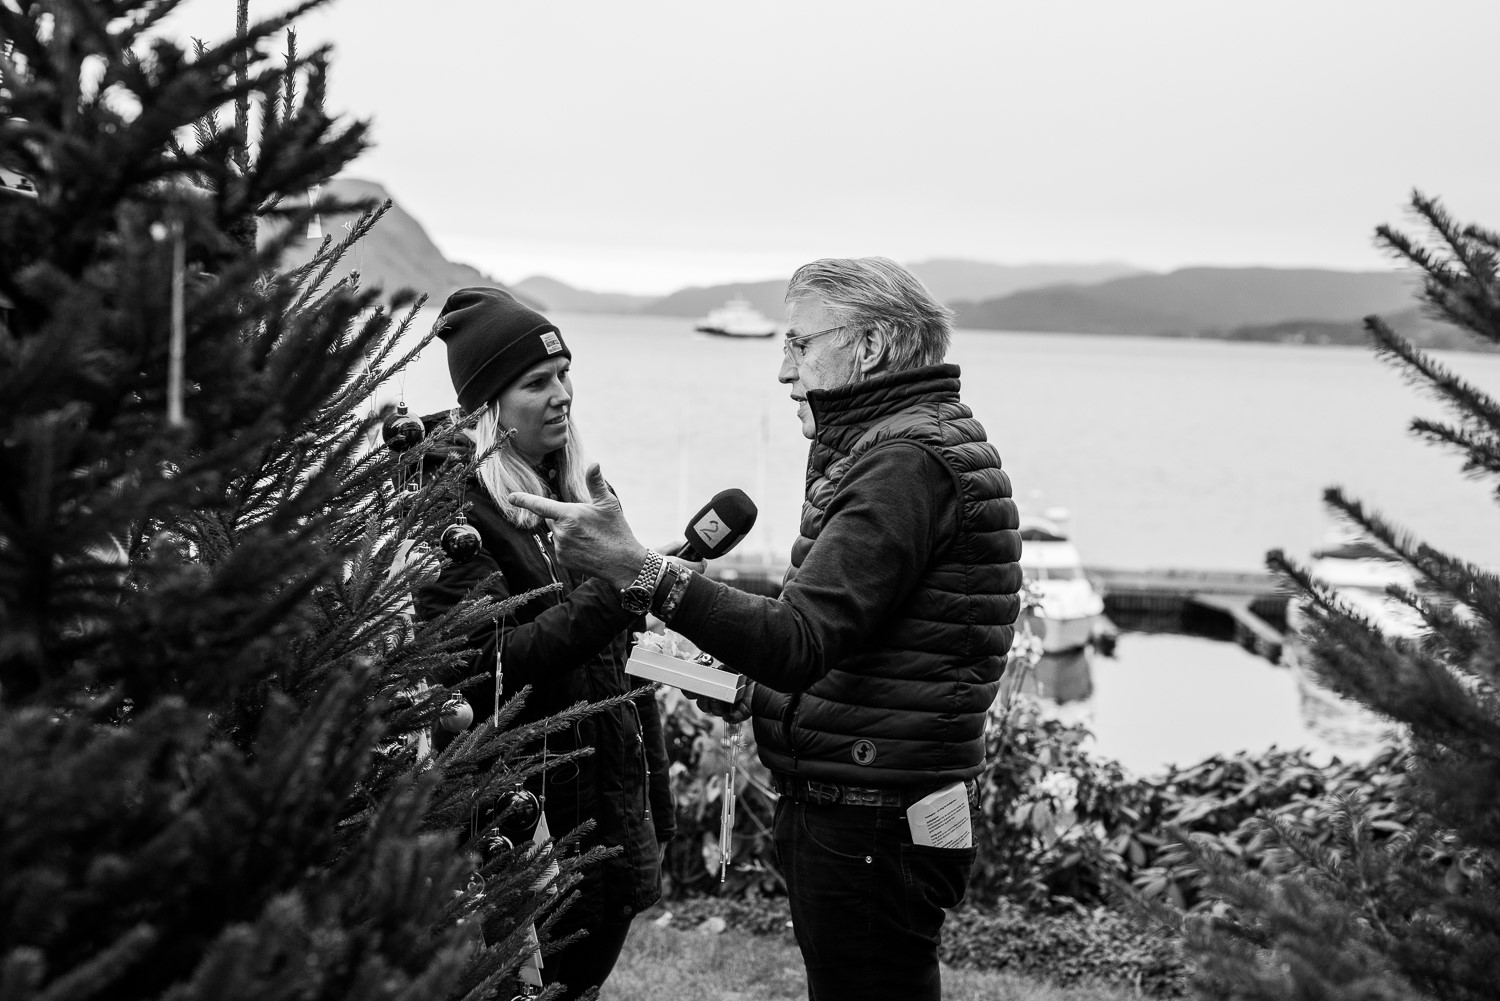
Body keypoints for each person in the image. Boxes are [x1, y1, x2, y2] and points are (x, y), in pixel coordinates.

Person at [508, 258, 1023, 1001]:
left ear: (871, 346)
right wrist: (753, 689)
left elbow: (799, 640)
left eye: (801, 345)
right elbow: (855, 640)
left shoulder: (905, 462)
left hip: (871, 817)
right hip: (880, 798)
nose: (785, 371)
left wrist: (643, 570)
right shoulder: (908, 445)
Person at [413, 287, 676, 1001]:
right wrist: (619, 585)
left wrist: (657, 799)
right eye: (537, 382)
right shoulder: (451, 513)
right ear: (488, 406)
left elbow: (618, 666)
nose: (562, 395)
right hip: (523, 824)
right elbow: (488, 666)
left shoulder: (585, 491)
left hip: (612, 804)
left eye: (564, 376)